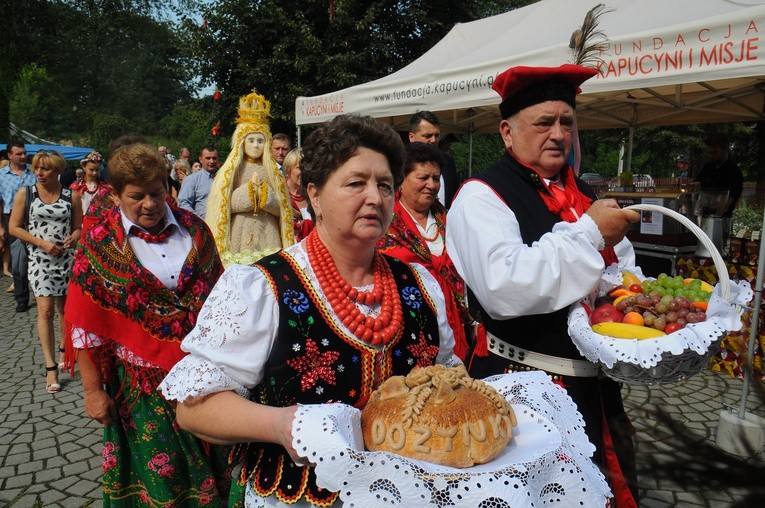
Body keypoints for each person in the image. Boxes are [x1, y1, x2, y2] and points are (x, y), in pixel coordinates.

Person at [159, 114, 460, 507]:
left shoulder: (419, 284)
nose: (375, 197)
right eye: (356, 183)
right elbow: (193, 408)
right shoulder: (261, 286)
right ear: (314, 195)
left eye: (385, 185)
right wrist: (282, 424)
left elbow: (448, 378)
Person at [445, 64, 641, 507]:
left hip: (596, 390)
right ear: (507, 132)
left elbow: (620, 274)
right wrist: (590, 235)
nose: (557, 134)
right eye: (543, 122)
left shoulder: (586, 193)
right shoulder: (481, 195)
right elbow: (505, 286)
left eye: (566, 122)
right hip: (521, 392)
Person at [64, 143, 233, 506]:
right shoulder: (98, 244)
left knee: (216, 468)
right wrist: (93, 391)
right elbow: (85, 325)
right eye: (136, 197)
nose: (150, 204)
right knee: (159, 480)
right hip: (142, 388)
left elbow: (222, 299)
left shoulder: (196, 230)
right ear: (115, 195)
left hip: (204, 376)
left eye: (156, 193)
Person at [377, 142, 470, 361]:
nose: (431, 185)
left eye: (436, 178)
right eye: (423, 177)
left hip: (455, 325)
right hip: (404, 326)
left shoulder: (450, 219)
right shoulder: (384, 225)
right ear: (402, 179)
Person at [9, 150, 82, 393]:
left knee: (65, 309)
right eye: (37, 168)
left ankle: (64, 350)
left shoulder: (71, 195)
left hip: (65, 259)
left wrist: (74, 237)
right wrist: (41, 243)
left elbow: (78, 228)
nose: (39, 172)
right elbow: (14, 227)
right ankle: (50, 366)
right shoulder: (26, 193)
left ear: (58, 170)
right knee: (46, 310)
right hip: (40, 259)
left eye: (45, 168)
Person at [205, 91, 294, 256]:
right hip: (240, 229)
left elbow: (283, 209)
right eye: (251, 140)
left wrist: (267, 198)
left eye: (260, 141)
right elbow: (222, 206)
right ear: (241, 142)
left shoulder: (273, 171)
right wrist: (247, 194)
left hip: (268, 230)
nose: (256, 146)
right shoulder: (232, 170)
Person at [0, 140, 37, 311]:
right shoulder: (1, 175)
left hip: (34, 218)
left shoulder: (34, 172)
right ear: (9, 156)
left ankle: (43, 292)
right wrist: (1, 227)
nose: (23, 156)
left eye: (24, 153)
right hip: (11, 219)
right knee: (19, 259)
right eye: (19, 153)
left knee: (38, 256)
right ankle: (22, 298)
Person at [408, 111, 459, 208]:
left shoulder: (448, 162)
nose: (433, 140)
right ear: (412, 137)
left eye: (436, 135)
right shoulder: (399, 163)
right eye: (428, 136)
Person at [694, 132, 744, 217]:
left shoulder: (734, 172)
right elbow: (696, 187)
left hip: (721, 220)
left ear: (726, 150)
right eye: (708, 152)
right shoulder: (708, 167)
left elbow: (727, 202)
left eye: (714, 153)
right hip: (702, 217)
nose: (710, 156)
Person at [178, 145, 219, 218]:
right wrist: (198, 221)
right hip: (203, 226)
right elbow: (183, 203)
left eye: (214, 158)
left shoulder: (224, 178)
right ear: (200, 159)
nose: (212, 161)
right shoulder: (192, 179)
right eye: (208, 158)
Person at [283, 147, 314, 242]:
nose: (304, 172)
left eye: (306, 168)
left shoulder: (313, 195)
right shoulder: (279, 195)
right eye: (299, 168)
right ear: (288, 170)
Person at [70, 151, 112, 217]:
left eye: (97, 170)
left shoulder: (106, 187)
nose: (94, 173)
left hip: (100, 224)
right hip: (80, 223)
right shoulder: (75, 187)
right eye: (91, 170)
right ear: (84, 167)